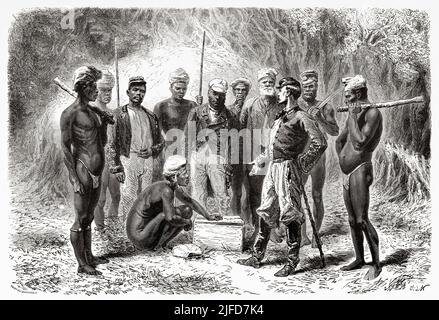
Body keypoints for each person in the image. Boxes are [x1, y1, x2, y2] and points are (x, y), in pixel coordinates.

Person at [237, 77, 327, 277]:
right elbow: (272, 149)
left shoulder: (302, 117)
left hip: (287, 169)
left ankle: (292, 261)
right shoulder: (279, 118)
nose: (277, 92)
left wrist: (303, 162)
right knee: (267, 209)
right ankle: (256, 256)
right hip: (273, 170)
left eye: (280, 89)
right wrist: (260, 160)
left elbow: (320, 142)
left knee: (289, 212)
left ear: (288, 92)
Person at [60, 66, 113, 275]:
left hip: (97, 172)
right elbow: (65, 147)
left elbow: (104, 142)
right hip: (82, 169)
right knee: (80, 218)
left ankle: (89, 256)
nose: (96, 91)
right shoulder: (69, 114)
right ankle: (82, 264)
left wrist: (105, 124)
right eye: (92, 86)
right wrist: (73, 177)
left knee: (89, 216)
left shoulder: (93, 112)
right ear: (82, 87)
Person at [335, 75, 383, 280]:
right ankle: (359, 259)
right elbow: (341, 140)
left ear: (360, 93)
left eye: (349, 96)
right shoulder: (354, 112)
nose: (346, 101)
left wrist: (354, 117)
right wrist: (342, 158)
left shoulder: (372, 113)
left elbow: (360, 142)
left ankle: (376, 264)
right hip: (348, 171)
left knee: (362, 219)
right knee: (352, 220)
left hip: (361, 169)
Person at [126, 155, 221, 250]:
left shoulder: (171, 186)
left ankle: (161, 244)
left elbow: (190, 202)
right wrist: (186, 221)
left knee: (187, 210)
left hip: (147, 230)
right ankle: (156, 247)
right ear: (173, 177)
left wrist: (208, 216)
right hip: (139, 237)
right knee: (166, 216)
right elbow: (170, 218)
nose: (187, 176)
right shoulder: (166, 190)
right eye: (184, 173)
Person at [239, 68, 284, 252]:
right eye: (264, 82)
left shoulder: (281, 104)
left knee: (275, 193)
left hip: (275, 155)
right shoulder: (250, 105)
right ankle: (258, 229)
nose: (267, 84)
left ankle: (272, 228)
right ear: (259, 85)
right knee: (256, 194)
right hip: (254, 156)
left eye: (270, 82)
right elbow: (241, 128)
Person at [107, 76, 164, 218]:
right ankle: (125, 228)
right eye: (135, 90)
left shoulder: (150, 116)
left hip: (147, 159)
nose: (139, 94)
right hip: (128, 158)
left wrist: (152, 150)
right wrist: (116, 168)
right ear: (128, 92)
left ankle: (142, 226)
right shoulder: (119, 114)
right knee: (128, 194)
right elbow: (111, 143)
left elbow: (161, 141)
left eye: (142, 91)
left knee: (146, 195)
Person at [298, 70, 339, 247]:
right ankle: (302, 235)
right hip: (300, 156)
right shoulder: (295, 105)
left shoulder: (325, 107)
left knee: (316, 195)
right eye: (305, 86)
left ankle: (316, 234)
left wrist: (320, 119)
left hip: (318, 157)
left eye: (312, 86)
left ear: (317, 86)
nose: (308, 89)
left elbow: (334, 131)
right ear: (301, 87)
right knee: (296, 195)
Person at [185, 78, 235, 221]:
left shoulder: (230, 116)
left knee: (221, 192)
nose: (217, 98)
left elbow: (233, 142)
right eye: (214, 93)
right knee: (198, 193)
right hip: (197, 156)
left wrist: (230, 164)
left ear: (225, 96)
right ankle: (198, 224)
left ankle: (225, 222)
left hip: (217, 157)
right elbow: (188, 136)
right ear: (208, 93)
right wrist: (187, 161)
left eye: (221, 95)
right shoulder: (196, 112)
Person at [153, 68, 199, 181]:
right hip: (170, 148)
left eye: (184, 89)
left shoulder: (192, 105)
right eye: (178, 88)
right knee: (171, 180)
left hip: (188, 148)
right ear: (171, 88)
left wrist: (200, 107)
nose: (181, 91)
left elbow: (198, 127)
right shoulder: (161, 106)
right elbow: (155, 131)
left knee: (187, 180)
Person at [93, 70, 121, 232]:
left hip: (113, 159)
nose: (107, 93)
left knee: (116, 195)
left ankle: (112, 223)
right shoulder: (91, 111)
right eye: (104, 90)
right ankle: (100, 227)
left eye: (110, 90)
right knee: (101, 197)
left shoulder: (112, 113)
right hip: (98, 159)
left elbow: (116, 139)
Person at [226, 77, 251, 217]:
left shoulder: (252, 109)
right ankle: (236, 220)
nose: (240, 93)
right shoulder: (228, 110)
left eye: (243, 90)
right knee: (236, 191)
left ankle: (249, 223)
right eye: (237, 90)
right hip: (235, 153)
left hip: (251, 153)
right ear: (234, 92)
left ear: (247, 92)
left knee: (252, 191)